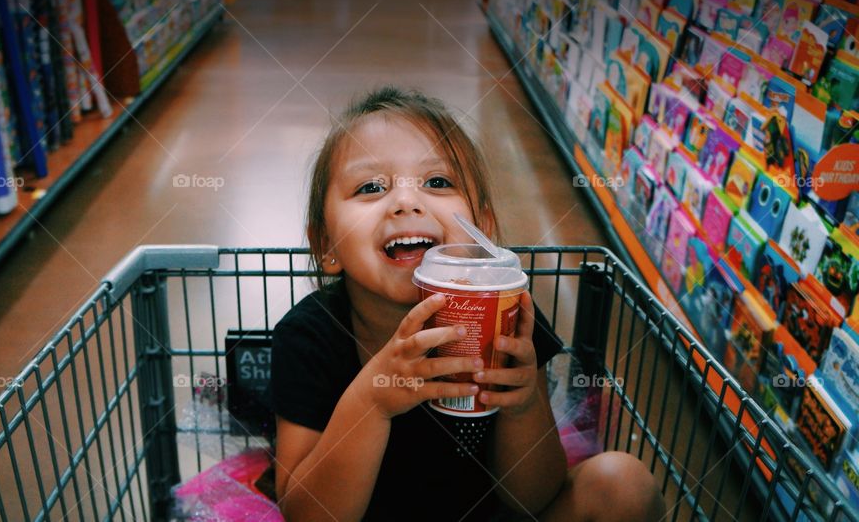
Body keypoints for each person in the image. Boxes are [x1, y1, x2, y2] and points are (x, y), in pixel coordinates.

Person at [269, 87, 665, 521]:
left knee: (623, 485)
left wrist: (525, 403)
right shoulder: (310, 338)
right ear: (327, 245)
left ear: (484, 232)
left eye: (437, 182)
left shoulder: (507, 319)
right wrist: (372, 401)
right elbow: (305, 513)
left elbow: (534, 498)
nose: (406, 202)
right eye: (370, 187)